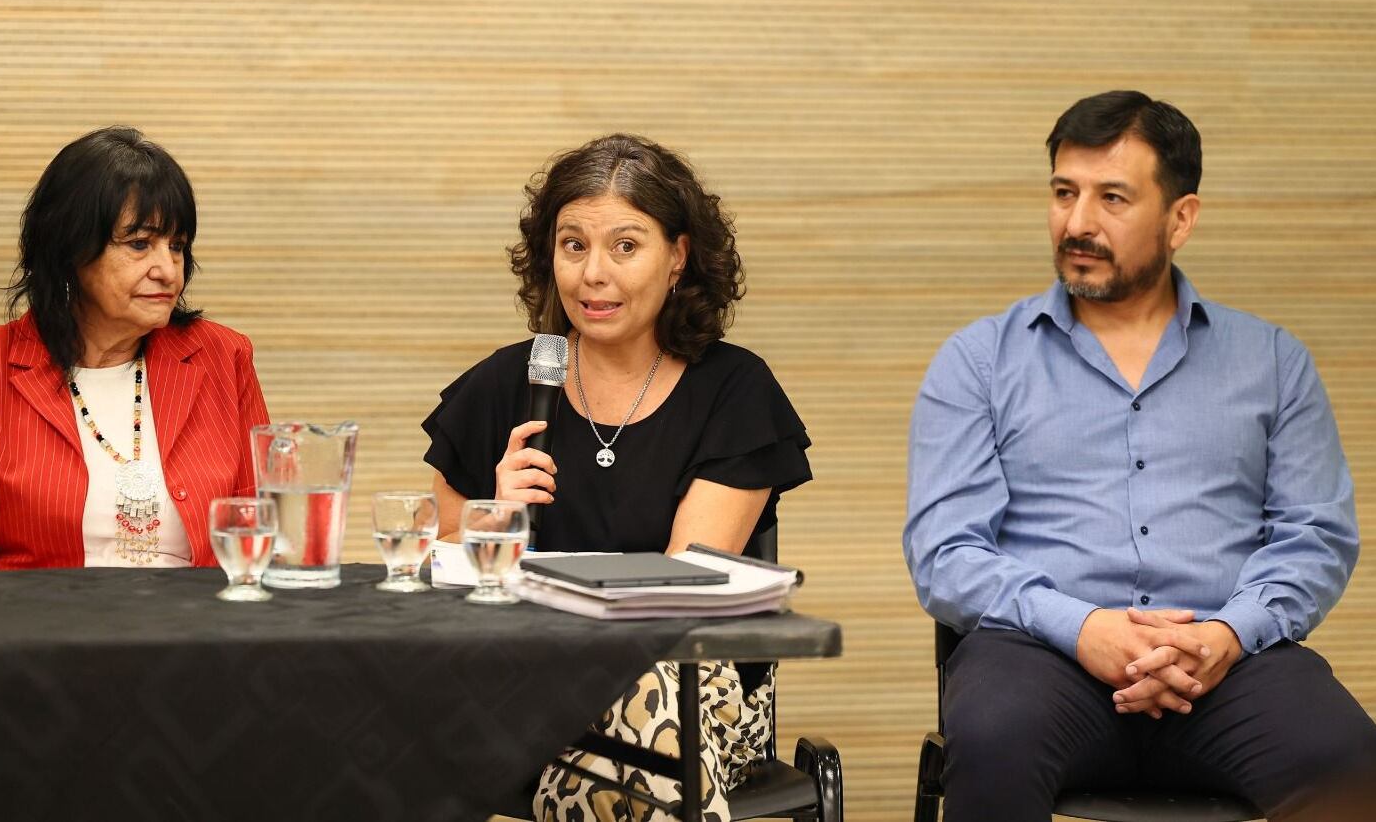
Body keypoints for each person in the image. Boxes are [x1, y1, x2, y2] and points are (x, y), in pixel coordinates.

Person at [903, 90, 1376, 820]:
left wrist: (1227, 633)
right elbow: (945, 550)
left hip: (1227, 662)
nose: (1077, 222)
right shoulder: (979, 361)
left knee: (1344, 756)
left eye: (1112, 198)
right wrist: (1082, 628)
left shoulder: (1272, 360)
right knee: (993, 736)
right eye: (1064, 193)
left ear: (1179, 218)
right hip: (1042, 657)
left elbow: (1314, 536)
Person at [422, 134, 811, 821]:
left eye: (624, 247)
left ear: (678, 257)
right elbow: (428, 566)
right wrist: (493, 519)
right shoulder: (500, 387)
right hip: (520, 685)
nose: (592, 274)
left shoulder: (733, 393)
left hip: (691, 687)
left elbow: (680, 593)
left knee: (633, 718)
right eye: (573, 246)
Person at [0, 126, 269, 570]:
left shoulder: (223, 357)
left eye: (176, 246)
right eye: (139, 244)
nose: (168, 270)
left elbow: (264, 534)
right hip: (40, 630)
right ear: (70, 250)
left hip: (200, 630)